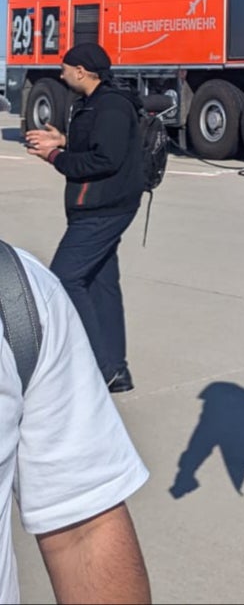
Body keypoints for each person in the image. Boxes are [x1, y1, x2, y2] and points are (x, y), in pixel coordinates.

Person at [1, 241, 152, 604]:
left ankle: (114, 366)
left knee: (80, 276)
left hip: (94, 213)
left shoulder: (21, 297)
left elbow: (84, 529)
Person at [24, 43, 143, 393]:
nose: (60, 74)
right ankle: (115, 371)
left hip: (103, 209)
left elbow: (105, 159)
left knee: (64, 277)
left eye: (64, 68)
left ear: (81, 71)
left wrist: (56, 156)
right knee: (100, 284)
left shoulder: (112, 107)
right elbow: (95, 146)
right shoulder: (94, 104)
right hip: (98, 206)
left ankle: (98, 366)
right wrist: (63, 140)